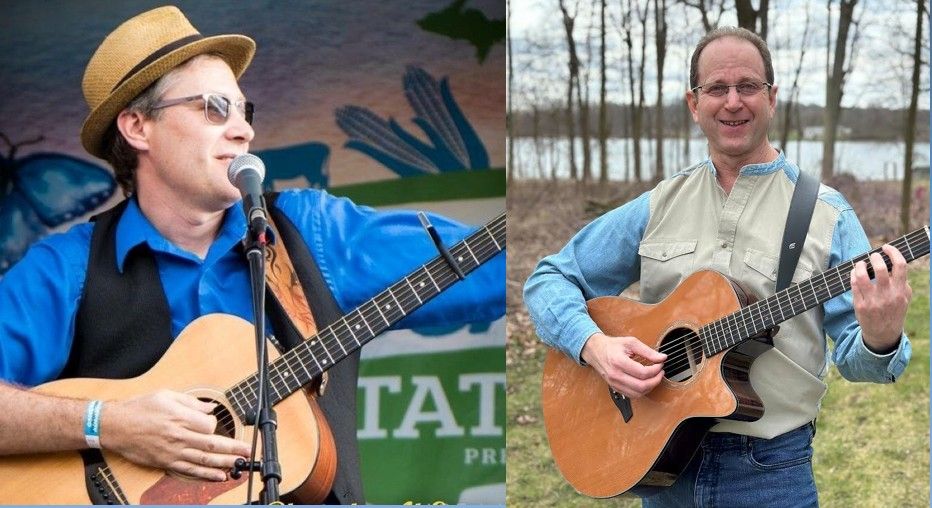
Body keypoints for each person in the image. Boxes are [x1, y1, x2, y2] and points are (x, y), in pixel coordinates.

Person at [0, 6, 504, 505]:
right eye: (214, 108)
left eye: (244, 110)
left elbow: (502, 263)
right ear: (137, 127)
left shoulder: (314, 232)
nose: (243, 130)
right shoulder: (67, 269)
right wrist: (106, 424)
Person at [524, 26, 912, 507]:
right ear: (694, 104)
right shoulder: (658, 205)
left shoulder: (827, 213)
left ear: (771, 98)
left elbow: (863, 363)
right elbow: (548, 279)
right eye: (717, 89)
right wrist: (594, 346)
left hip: (771, 473)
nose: (733, 102)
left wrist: (882, 335)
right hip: (660, 457)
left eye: (748, 86)